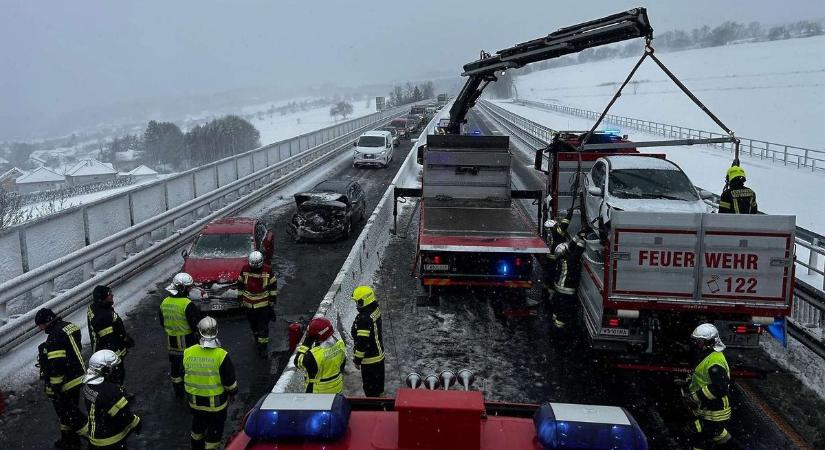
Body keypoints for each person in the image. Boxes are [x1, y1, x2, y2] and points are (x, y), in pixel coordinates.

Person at [35, 308, 87, 449]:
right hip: (79, 375)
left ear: (46, 322)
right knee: (68, 413)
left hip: (68, 382)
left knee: (70, 414)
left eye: (40, 326)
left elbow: (57, 365)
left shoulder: (54, 338)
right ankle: (69, 439)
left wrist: (55, 387)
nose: (40, 329)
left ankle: (92, 437)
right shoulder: (70, 327)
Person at [183, 317, 238, 450]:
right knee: (214, 433)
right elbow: (230, 383)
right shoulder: (221, 355)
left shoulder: (188, 352)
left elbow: (183, 373)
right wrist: (233, 393)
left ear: (199, 332)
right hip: (216, 406)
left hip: (195, 403)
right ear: (216, 332)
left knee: (197, 429)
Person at [683, 324, 738, 450]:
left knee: (700, 436)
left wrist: (694, 397)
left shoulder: (715, 362)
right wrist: (687, 382)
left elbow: (720, 388)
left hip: (715, 409)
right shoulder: (706, 355)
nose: (697, 344)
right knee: (717, 434)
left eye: (700, 341)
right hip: (708, 406)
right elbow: (701, 376)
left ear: (709, 342)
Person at [79, 350, 141, 449]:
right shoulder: (110, 391)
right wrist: (136, 423)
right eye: (114, 368)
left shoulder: (88, 385)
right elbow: (124, 415)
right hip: (111, 440)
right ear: (106, 370)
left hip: (94, 438)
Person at [159, 272, 202, 397]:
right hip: (187, 341)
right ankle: (191, 389)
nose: (190, 289)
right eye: (188, 287)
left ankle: (178, 390)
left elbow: (162, 322)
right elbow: (196, 325)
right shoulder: (187, 304)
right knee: (190, 367)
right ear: (182, 288)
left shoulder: (164, 302)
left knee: (175, 367)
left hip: (171, 342)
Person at [87, 285, 134, 385]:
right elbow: (114, 335)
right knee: (117, 376)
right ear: (102, 298)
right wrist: (125, 339)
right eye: (109, 294)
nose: (112, 295)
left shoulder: (92, 309)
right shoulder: (106, 315)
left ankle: (119, 392)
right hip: (113, 354)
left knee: (114, 376)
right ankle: (119, 396)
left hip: (108, 353)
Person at [237, 251, 277, 359]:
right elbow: (240, 284)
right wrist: (240, 299)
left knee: (263, 327)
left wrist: (272, 300)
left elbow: (273, 286)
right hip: (249, 306)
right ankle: (257, 338)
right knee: (254, 325)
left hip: (262, 306)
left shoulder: (268, 270)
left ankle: (262, 348)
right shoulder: (245, 269)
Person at [294, 317, 346, 394]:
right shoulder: (340, 343)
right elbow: (342, 364)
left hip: (318, 392)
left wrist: (306, 343)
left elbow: (298, 362)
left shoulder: (314, 355)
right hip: (337, 387)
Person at [350, 286, 385, 397]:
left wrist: (357, 360)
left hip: (370, 360)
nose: (356, 305)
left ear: (364, 301)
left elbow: (362, 343)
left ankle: (374, 410)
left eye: (358, 302)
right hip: (379, 355)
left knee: (371, 391)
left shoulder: (364, 319)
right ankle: (381, 404)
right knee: (378, 387)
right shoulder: (375, 310)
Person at [551, 232, 586, 329]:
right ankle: (560, 330)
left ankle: (555, 325)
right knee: (564, 313)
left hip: (559, 291)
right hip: (567, 292)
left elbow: (570, 246)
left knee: (557, 309)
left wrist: (578, 234)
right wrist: (583, 238)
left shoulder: (561, 259)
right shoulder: (570, 260)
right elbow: (578, 251)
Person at [541, 216, 570, 304]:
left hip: (549, 263)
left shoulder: (548, 235)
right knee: (552, 283)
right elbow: (563, 227)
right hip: (553, 264)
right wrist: (570, 214)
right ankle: (549, 302)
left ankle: (545, 299)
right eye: (556, 225)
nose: (557, 226)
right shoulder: (555, 235)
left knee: (547, 282)